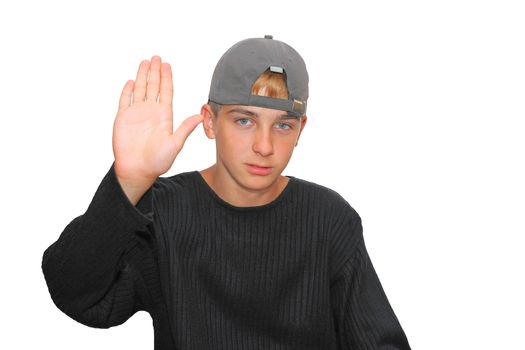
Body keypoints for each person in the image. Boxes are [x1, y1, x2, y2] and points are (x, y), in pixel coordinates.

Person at [42, 35, 411, 349]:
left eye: (283, 125)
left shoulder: (329, 219)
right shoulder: (164, 212)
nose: (264, 145)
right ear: (209, 121)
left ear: (301, 130)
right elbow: (75, 295)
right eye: (244, 120)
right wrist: (130, 183)